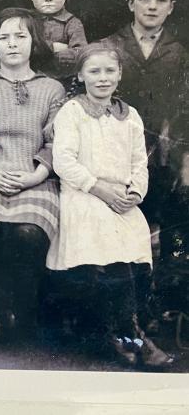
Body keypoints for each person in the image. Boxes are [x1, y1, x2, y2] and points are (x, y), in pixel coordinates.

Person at [47, 44, 174, 369]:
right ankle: (132, 336)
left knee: (135, 251)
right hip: (84, 194)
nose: (102, 78)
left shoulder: (128, 114)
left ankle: (120, 332)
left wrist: (135, 191)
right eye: (94, 71)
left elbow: (138, 161)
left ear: (119, 74)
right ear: (80, 75)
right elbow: (64, 162)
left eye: (109, 71)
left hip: (121, 198)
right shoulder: (72, 112)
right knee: (113, 254)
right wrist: (100, 190)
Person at [0, 8, 65, 341]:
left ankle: (19, 307)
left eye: (20, 36)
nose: (12, 44)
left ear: (33, 42)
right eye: (4, 37)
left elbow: (57, 140)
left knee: (28, 234)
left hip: (35, 177)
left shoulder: (52, 88)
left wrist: (38, 174)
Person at [101, 0, 189, 276]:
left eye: (160, 0)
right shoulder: (111, 46)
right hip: (118, 157)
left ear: (171, 6)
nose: (152, 6)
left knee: (177, 229)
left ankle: (170, 303)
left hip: (167, 158)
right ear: (130, 3)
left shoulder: (180, 52)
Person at [25, 0, 87, 81]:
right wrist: (52, 48)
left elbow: (81, 55)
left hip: (62, 81)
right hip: (28, 80)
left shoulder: (72, 23)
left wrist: (38, 52)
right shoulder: (25, 20)